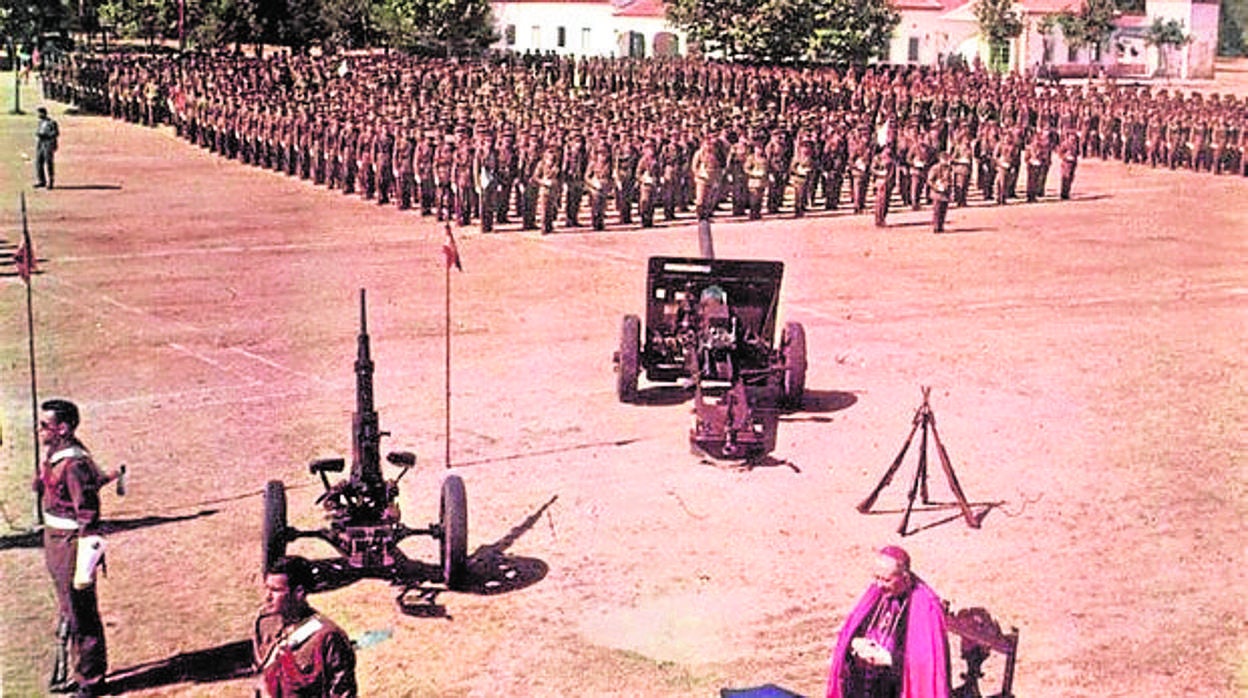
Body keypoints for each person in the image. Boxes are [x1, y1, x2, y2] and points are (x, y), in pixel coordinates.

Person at [32, 399, 122, 697]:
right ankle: (80, 668)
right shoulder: (56, 454)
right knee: (69, 609)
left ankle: (91, 680)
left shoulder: (73, 464)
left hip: (70, 544)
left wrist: (86, 557)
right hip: (54, 538)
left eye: (45, 425)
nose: (40, 430)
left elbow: (87, 512)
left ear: (63, 428)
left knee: (80, 612)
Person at [826, 546, 950, 698]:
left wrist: (888, 658)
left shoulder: (926, 606)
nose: (878, 585)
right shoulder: (877, 592)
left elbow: (925, 665)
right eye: (876, 577)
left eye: (886, 580)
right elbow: (851, 630)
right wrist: (855, 643)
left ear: (905, 578)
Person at [253, 555, 357, 698]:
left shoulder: (328, 637)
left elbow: (343, 693)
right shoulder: (266, 624)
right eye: (267, 589)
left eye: (276, 590)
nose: (268, 597)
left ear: (299, 592)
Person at [35, 106, 60, 189]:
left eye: (40, 113)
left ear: (44, 113)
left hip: (48, 144)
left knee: (49, 163)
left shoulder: (52, 122)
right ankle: (41, 180)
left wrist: (47, 135)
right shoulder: (40, 122)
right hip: (40, 143)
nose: (38, 115)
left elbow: (56, 133)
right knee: (39, 162)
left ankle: (50, 181)